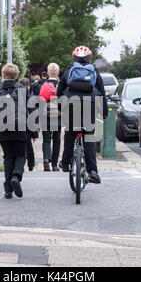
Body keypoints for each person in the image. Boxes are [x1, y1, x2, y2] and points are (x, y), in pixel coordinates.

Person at [57, 46, 107, 184]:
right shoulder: (93, 71)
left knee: (69, 133)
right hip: (89, 104)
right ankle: (92, 172)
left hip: (71, 103)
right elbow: (101, 92)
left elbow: (59, 91)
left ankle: (65, 163)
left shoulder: (68, 70)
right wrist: (103, 112)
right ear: (89, 58)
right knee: (89, 137)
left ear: (74, 58)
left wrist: (61, 107)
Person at [0, 64, 38, 199]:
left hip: (3, 130)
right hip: (20, 129)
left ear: (3, 75)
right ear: (16, 76)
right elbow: (31, 110)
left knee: (8, 157)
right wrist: (34, 132)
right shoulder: (22, 89)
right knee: (21, 155)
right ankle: (17, 176)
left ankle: (8, 190)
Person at [38, 63, 62, 172]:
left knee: (46, 140)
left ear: (47, 73)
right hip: (58, 116)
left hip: (45, 115)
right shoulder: (61, 86)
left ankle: (46, 158)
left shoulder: (43, 85)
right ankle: (55, 165)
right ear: (57, 73)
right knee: (56, 140)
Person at [19, 78, 36, 171]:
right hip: (26, 126)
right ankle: (31, 163)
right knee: (28, 146)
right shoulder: (29, 97)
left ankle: (23, 164)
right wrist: (35, 133)